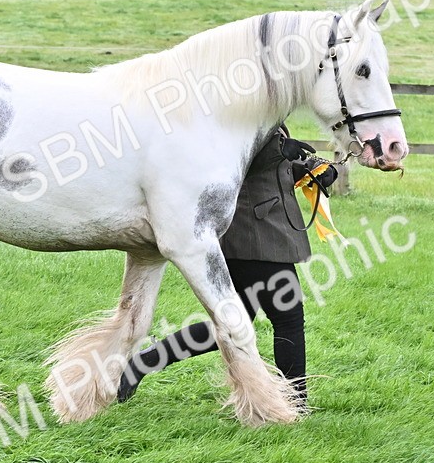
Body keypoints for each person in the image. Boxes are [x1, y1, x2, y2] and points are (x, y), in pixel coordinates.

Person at [117, 124, 337, 406]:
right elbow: (236, 162)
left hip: (261, 232)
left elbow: (272, 173)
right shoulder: (241, 118)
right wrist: (281, 152)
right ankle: (295, 401)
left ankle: (145, 361)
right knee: (288, 319)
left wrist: (308, 171)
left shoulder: (269, 117)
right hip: (253, 233)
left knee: (234, 323)